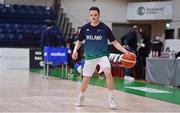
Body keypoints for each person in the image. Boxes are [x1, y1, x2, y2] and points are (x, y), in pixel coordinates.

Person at [71, 6, 128, 109]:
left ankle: (111, 98)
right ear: (89, 16)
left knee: (108, 73)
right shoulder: (84, 28)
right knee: (85, 80)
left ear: (99, 15)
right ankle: (81, 96)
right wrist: (75, 50)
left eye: (95, 15)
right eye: (91, 15)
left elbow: (114, 43)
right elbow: (79, 41)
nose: (93, 17)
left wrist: (126, 52)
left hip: (102, 56)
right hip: (89, 57)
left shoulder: (105, 28)